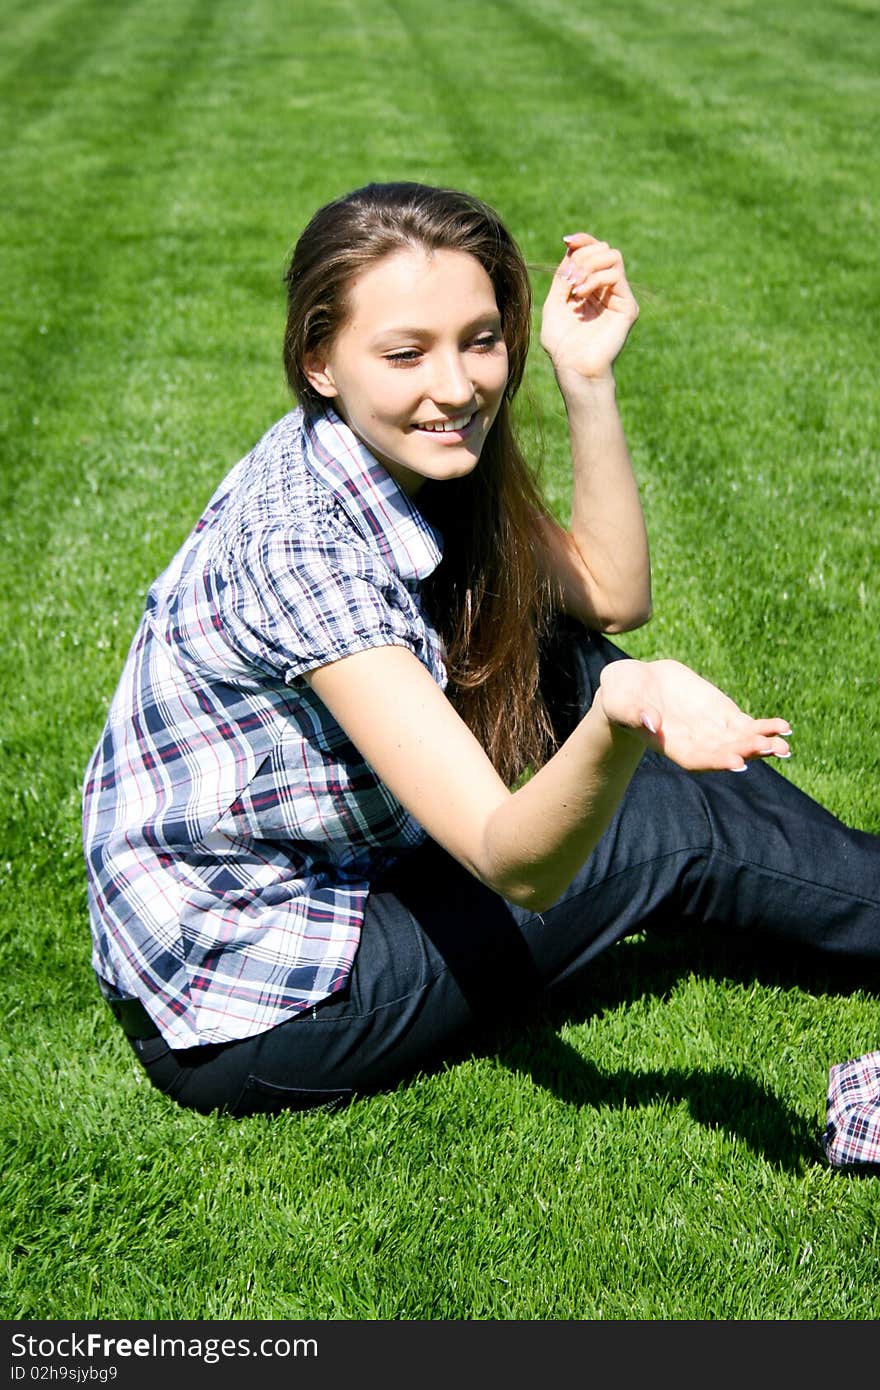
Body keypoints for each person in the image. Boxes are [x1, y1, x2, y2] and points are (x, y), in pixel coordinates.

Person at [82, 181, 880, 1134]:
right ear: (318, 360)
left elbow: (611, 596)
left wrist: (586, 378)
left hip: (333, 870)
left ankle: (844, 884)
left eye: (481, 339)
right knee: (661, 816)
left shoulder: (406, 453)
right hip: (249, 996)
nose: (457, 386)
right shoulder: (303, 550)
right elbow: (516, 866)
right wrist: (623, 711)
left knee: (563, 650)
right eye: (407, 353)